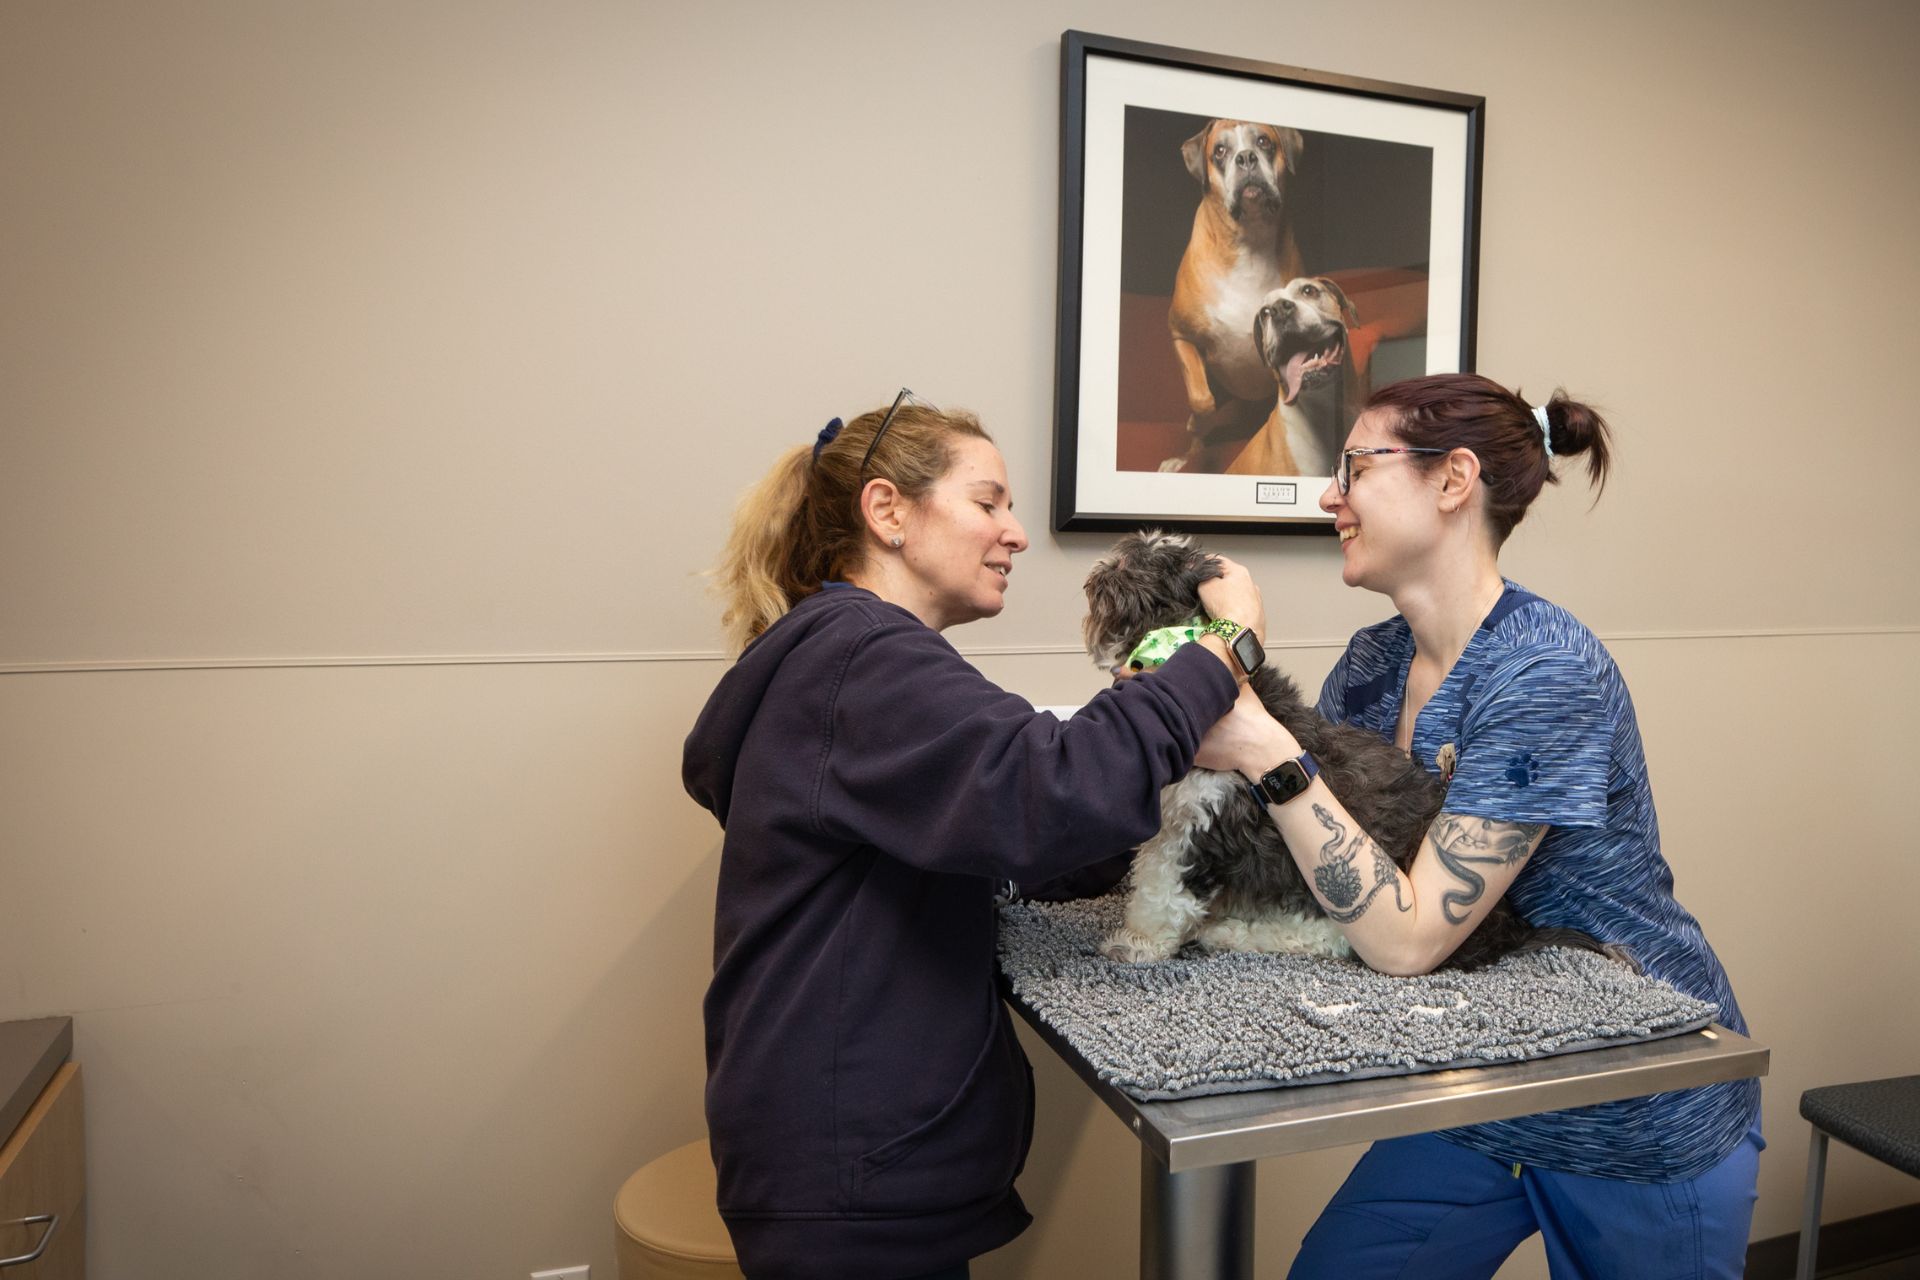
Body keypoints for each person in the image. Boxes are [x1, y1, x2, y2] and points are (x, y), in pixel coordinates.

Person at [682, 391, 1263, 1280]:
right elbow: (1045, 791)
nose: (1017, 532)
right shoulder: (863, 657)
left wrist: (1152, 810)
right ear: (887, 512)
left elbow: (999, 826)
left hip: (835, 1149)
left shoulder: (850, 658)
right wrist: (1224, 652)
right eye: (988, 502)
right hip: (846, 1175)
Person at [1192, 372, 1762, 1278]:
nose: (1328, 494)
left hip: (1629, 1093)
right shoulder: (1374, 664)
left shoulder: (1543, 671)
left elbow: (1411, 935)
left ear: (1454, 481)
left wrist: (1267, 752)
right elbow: (1309, 853)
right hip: (1480, 1078)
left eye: (1354, 467)